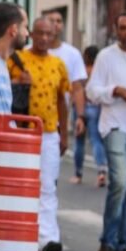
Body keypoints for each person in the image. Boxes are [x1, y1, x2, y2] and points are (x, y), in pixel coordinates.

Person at [8, 17, 70, 251]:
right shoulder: (16, 61)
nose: (45, 38)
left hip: (49, 134)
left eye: (49, 34)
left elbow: (61, 101)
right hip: (22, 132)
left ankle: (48, 239)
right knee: (20, 186)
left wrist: (63, 133)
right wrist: (17, 83)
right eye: (40, 33)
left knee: (47, 186)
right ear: (31, 34)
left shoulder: (58, 64)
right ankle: (18, 235)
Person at [85, 11, 126, 251]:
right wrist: (115, 91)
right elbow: (92, 92)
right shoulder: (106, 56)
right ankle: (107, 242)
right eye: (122, 28)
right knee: (120, 182)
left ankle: (124, 246)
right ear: (116, 29)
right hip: (115, 127)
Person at [45, 10, 87, 148]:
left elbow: (77, 88)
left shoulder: (73, 54)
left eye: (59, 21)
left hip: (58, 120)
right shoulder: (26, 53)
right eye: (51, 20)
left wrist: (80, 117)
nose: (55, 24)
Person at [71, 45, 107, 186]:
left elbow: (76, 90)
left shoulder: (82, 72)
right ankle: (101, 171)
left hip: (81, 108)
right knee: (97, 140)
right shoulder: (99, 72)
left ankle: (78, 174)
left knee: (79, 141)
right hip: (96, 108)